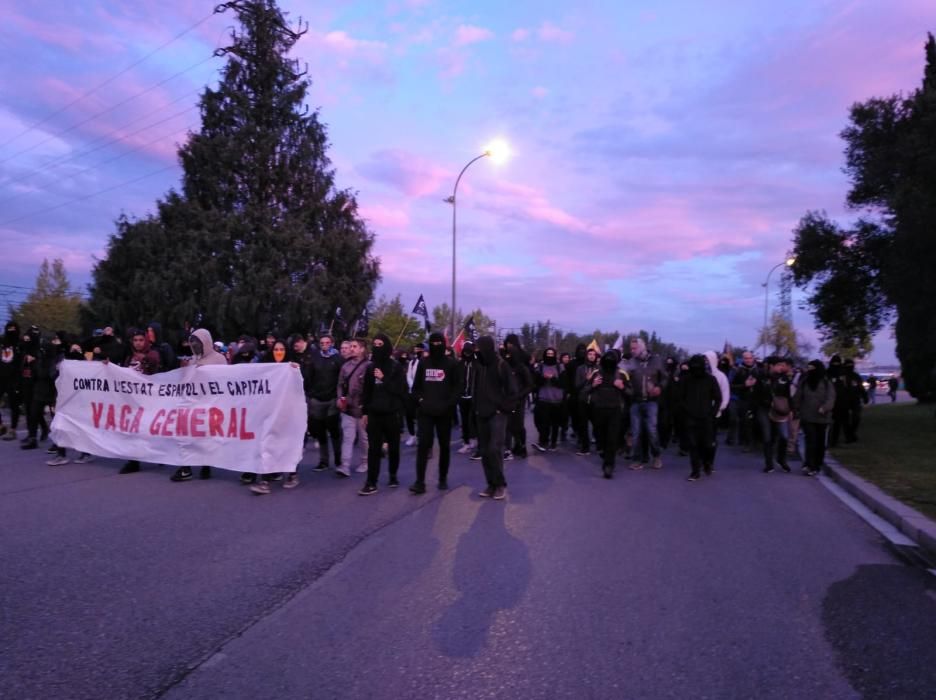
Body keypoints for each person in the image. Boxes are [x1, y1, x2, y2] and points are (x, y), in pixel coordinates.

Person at [169, 328, 227, 482]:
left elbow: (225, 381)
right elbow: (186, 383)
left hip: (210, 404)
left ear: (206, 342)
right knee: (185, 435)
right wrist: (184, 370)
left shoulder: (219, 359)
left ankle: (206, 465)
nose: (194, 344)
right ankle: (186, 467)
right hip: (192, 404)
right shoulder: (193, 360)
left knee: (206, 437)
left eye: (198, 341)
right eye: (192, 341)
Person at [410, 332, 463, 494]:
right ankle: (420, 481)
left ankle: (442, 478)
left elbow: (458, 387)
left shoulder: (452, 364)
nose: (436, 346)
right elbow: (416, 388)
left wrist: (449, 404)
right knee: (423, 446)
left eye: (439, 343)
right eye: (433, 343)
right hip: (425, 412)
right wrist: (420, 401)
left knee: (444, 446)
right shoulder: (424, 363)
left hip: (444, 412)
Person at [250, 339, 301, 494]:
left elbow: (299, 388)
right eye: (276, 349)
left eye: (282, 349)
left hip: (287, 414)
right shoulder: (266, 369)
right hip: (269, 414)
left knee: (287, 445)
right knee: (267, 444)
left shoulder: (293, 368)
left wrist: (297, 371)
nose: (279, 352)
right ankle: (264, 481)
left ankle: (292, 474)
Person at [358, 334, 406, 495]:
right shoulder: (370, 368)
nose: (377, 347)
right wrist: (365, 412)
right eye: (375, 344)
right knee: (374, 449)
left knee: (393, 448)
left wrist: (384, 378)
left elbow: (400, 390)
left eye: (380, 344)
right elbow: (367, 391)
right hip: (375, 414)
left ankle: (393, 474)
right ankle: (371, 482)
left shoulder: (396, 367)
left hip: (392, 413)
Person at [472, 335, 517, 500]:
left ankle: (500, 485)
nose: (476, 351)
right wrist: (475, 409)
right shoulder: (479, 366)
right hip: (481, 413)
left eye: (479, 347)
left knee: (494, 449)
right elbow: (475, 389)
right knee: (484, 451)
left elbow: (513, 391)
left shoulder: (501, 365)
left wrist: (502, 408)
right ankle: (491, 484)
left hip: (497, 414)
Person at [118, 328, 163, 474]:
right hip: (131, 400)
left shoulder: (152, 354)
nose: (138, 343)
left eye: (141, 340)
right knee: (132, 430)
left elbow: (154, 364)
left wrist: (144, 360)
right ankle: (134, 461)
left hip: (148, 400)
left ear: (146, 341)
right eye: (135, 340)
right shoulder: (129, 356)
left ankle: (159, 453)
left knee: (148, 428)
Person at [621, 337, 667, 470]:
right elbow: (620, 373)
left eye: (634, 348)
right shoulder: (631, 362)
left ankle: (656, 456)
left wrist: (659, 387)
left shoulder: (656, 360)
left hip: (651, 402)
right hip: (636, 401)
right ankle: (637, 459)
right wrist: (622, 384)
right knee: (636, 432)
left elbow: (665, 378)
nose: (632, 350)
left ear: (642, 347)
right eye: (631, 348)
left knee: (651, 431)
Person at [679, 354, 722, 481]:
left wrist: (712, 413)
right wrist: (687, 411)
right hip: (691, 418)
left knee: (707, 444)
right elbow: (680, 398)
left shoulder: (710, 379)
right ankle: (695, 471)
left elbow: (718, 398)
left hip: (706, 417)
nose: (696, 369)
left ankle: (707, 462)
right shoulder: (686, 380)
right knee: (693, 445)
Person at [584, 351, 627, 478]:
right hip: (598, 410)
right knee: (600, 437)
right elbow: (584, 390)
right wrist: (592, 385)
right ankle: (602, 450)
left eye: (612, 359)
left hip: (615, 410)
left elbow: (631, 392)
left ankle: (609, 465)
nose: (609, 361)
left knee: (612, 438)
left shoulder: (622, 374)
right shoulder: (596, 373)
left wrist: (622, 387)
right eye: (607, 358)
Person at [306, 334, 343, 472]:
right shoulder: (315, 358)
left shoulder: (338, 359)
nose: (325, 345)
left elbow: (342, 378)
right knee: (320, 430)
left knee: (334, 429)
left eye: (327, 343)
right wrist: (311, 394)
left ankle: (338, 458)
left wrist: (340, 396)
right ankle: (323, 460)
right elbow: (309, 376)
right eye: (322, 343)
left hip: (332, 398)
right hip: (317, 399)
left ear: (332, 343)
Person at [794, 359, 836, 476]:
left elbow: (831, 398)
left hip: (822, 417)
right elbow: (798, 396)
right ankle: (809, 464)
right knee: (810, 440)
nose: (810, 371)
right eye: (809, 368)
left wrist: (825, 407)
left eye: (813, 368)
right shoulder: (804, 382)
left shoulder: (826, 382)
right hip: (807, 416)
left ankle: (817, 464)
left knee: (820, 442)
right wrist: (795, 409)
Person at [336, 337, 370, 477]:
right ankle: (345, 466)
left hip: (362, 409)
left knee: (363, 438)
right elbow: (340, 384)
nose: (351, 349)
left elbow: (371, 388)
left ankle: (365, 461)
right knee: (348, 438)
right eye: (350, 346)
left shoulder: (369, 366)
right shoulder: (345, 366)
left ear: (362, 349)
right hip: (347, 408)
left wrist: (367, 407)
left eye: (354, 346)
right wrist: (339, 398)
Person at [757, 356, 794, 474]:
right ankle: (769, 464)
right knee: (767, 437)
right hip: (764, 409)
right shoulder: (761, 377)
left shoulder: (784, 379)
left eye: (783, 365)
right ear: (771, 366)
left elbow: (788, 396)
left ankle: (781, 459)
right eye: (779, 365)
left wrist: (791, 410)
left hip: (780, 411)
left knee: (784, 436)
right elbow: (755, 396)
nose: (782, 367)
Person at [502, 334, 532, 459]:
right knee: (507, 424)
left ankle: (521, 446)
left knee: (518, 425)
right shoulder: (503, 366)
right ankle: (508, 449)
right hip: (506, 399)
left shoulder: (522, 367)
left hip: (519, 399)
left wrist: (519, 395)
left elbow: (529, 384)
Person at [531, 347, 565, 452]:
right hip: (543, 399)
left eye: (552, 354)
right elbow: (536, 383)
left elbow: (563, 384)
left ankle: (553, 443)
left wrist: (553, 378)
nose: (550, 355)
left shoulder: (560, 367)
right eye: (548, 353)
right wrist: (543, 378)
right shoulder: (540, 367)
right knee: (542, 422)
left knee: (555, 423)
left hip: (556, 400)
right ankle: (543, 442)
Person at [0, 321, 23, 440]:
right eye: (9, 328)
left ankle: (13, 430)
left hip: (14, 379)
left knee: (14, 405)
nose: (11, 331)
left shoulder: (20, 344)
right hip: (1, 377)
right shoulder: (2, 342)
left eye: (13, 328)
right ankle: (1, 426)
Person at [456, 341, 477, 455]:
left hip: (473, 396)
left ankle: (474, 438)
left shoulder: (476, 364)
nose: (467, 354)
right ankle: (466, 442)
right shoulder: (460, 364)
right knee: (464, 420)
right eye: (465, 351)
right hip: (462, 397)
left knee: (473, 420)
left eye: (469, 351)